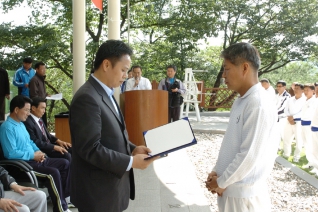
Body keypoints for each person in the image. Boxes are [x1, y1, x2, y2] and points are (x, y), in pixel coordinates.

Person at [69, 40, 157, 211]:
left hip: (111, 190)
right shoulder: (87, 98)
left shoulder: (106, 92)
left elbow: (110, 135)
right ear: (107, 65)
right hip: (97, 194)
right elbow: (90, 149)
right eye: (123, 70)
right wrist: (132, 162)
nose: (126, 75)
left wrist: (132, 148)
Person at [205, 43, 278, 212]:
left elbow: (249, 155)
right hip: (230, 189)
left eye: (227, 69)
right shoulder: (241, 100)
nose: (223, 75)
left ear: (245, 68)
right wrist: (216, 171)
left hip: (244, 197)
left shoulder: (258, 103)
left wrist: (221, 182)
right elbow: (231, 144)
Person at [0, 95, 71, 212]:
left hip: (34, 159)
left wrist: (40, 152)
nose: (28, 113)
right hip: (23, 165)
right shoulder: (7, 128)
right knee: (53, 173)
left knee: (64, 163)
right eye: (27, 110)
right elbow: (10, 153)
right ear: (16, 110)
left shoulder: (21, 124)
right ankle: (61, 208)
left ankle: (63, 197)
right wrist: (33, 155)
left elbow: (30, 142)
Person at [23, 97, 72, 162]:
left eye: (45, 108)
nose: (44, 111)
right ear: (33, 108)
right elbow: (35, 141)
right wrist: (53, 147)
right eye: (42, 108)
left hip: (50, 145)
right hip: (43, 149)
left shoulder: (39, 119)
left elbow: (46, 134)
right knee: (66, 155)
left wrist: (59, 141)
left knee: (71, 149)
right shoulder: (27, 122)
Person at [282, 83, 306, 162]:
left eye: (298, 88)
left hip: (298, 122)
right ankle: (286, 153)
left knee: (299, 140)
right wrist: (289, 117)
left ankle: (296, 156)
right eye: (295, 88)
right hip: (289, 121)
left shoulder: (305, 100)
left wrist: (294, 117)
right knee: (287, 138)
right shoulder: (290, 99)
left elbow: (303, 111)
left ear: (302, 90)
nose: (295, 90)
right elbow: (286, 109)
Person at [300, 84, 316, 171]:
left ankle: (314, 164)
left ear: (313, 91)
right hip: (303, 124)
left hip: (309, 125)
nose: (305, 92)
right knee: (306, 144)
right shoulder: (304, 100)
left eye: (307, 90)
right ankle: (310, 161)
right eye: (304, 90)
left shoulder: (315, 101)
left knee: (311, 145)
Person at [29, 62, 50, 126]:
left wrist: (46, 95)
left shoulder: (41, 79)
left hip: (42, 105)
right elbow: (34, 95)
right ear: (37, 69)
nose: (44, 70)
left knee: (44, 125)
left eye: (45, 69)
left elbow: (40, 92)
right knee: (40, 125)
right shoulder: (34, 80)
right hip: (38, 107)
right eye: (42, 69)